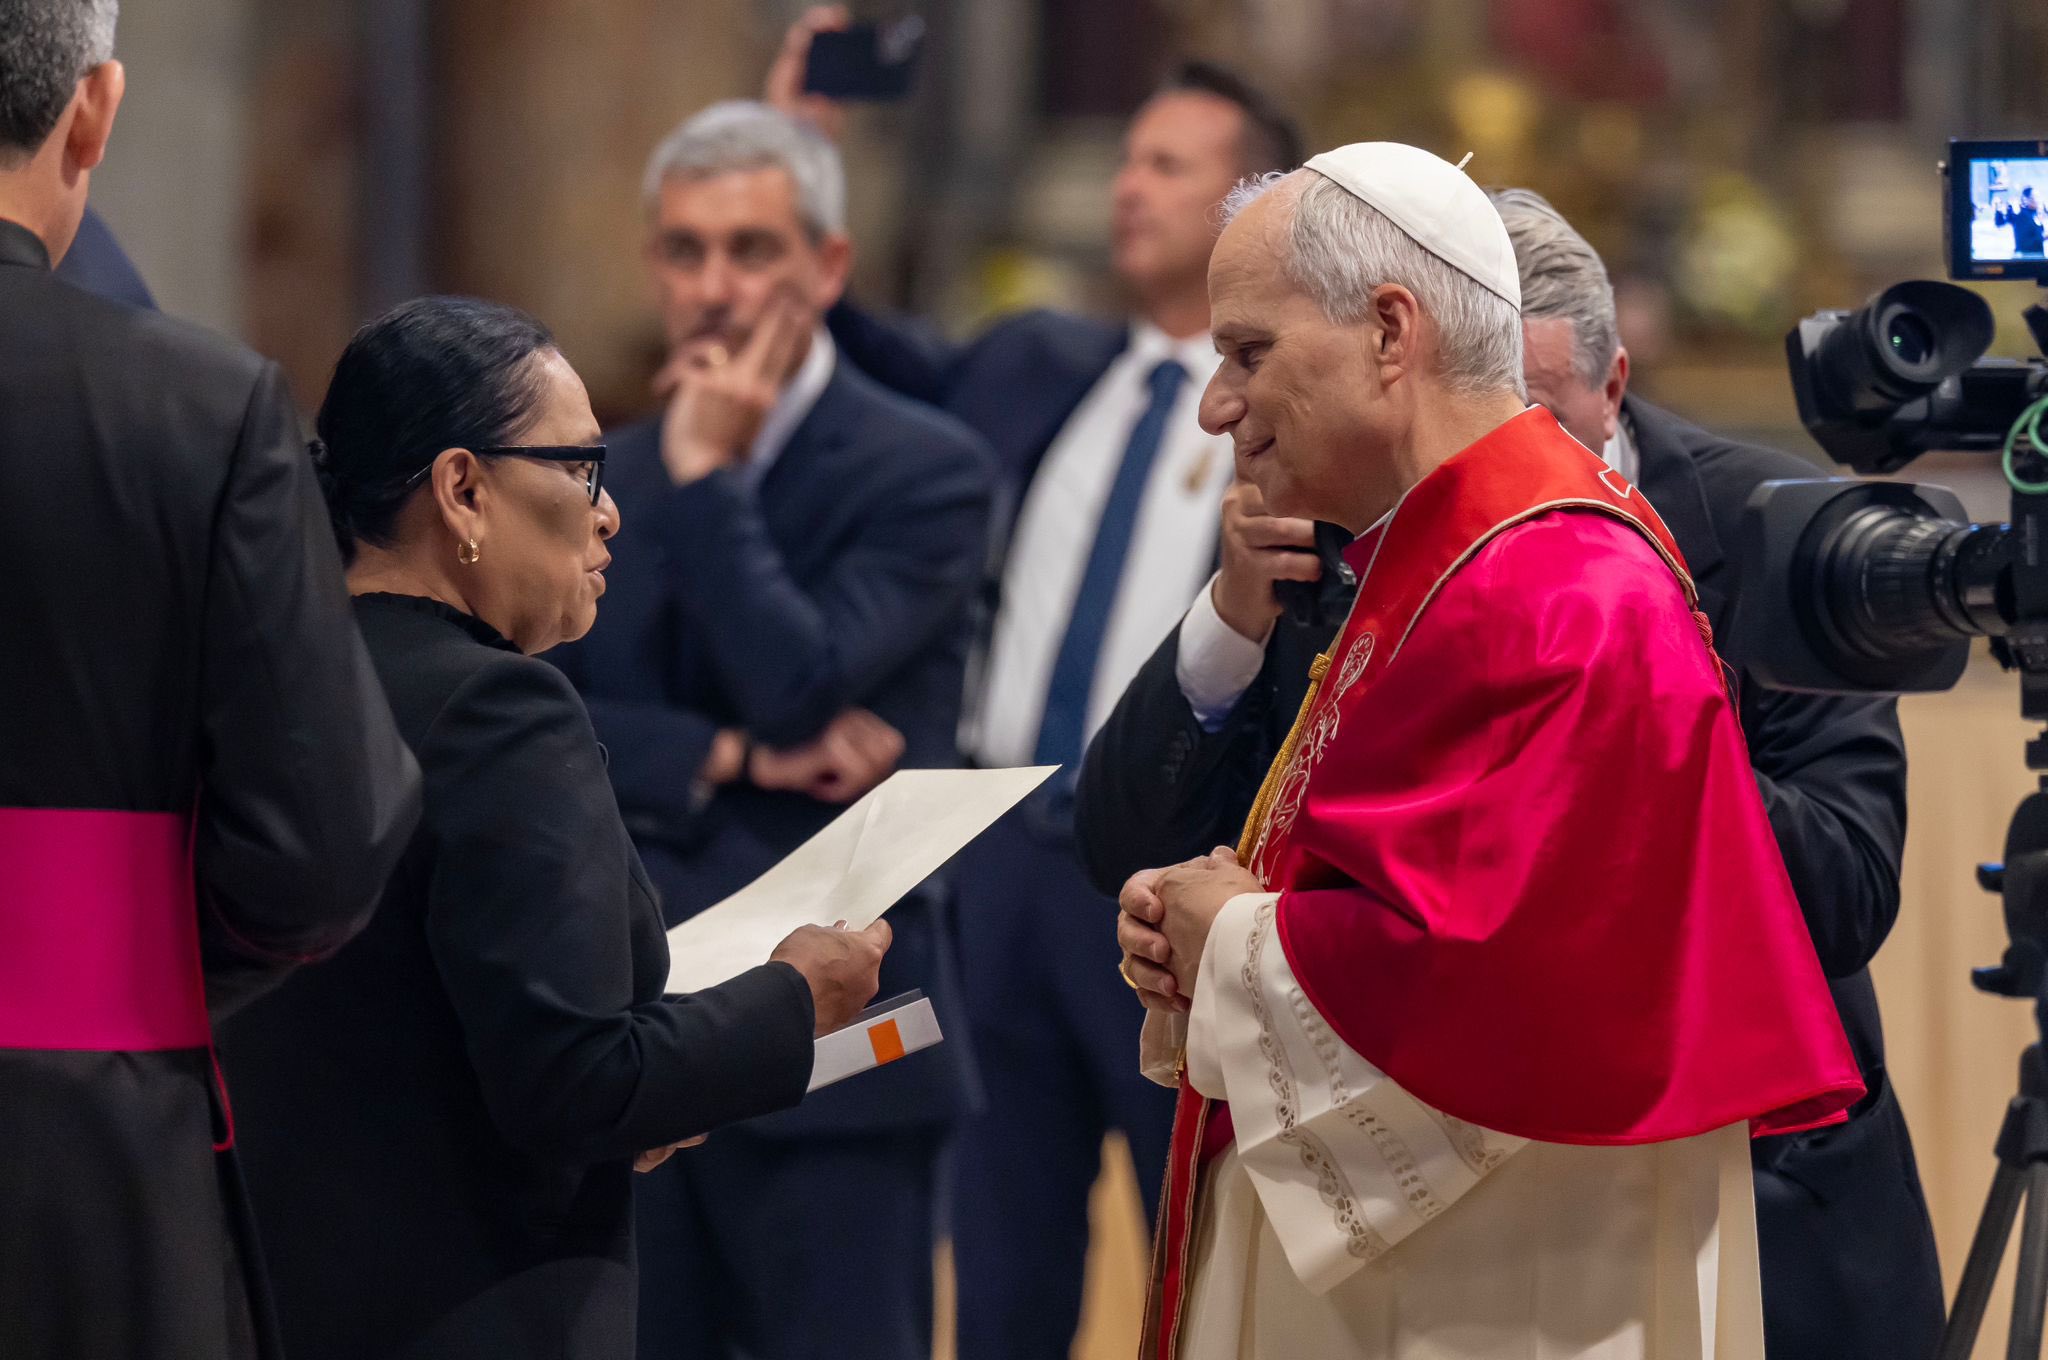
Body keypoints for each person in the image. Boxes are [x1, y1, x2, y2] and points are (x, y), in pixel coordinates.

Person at [1077, 186, 1945, 1359]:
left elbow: (1502, 969)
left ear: (1396, 336)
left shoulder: (1565, 572)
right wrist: (1206, 925)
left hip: (1554, 1254)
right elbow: (1378, 866)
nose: (1218, 402)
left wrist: (1235, 941)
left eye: (1247, 351)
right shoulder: (1399, 545)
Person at [764, 15, 1304, 1353]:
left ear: (1253, 211)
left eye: (1171, 167)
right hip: (995, 863)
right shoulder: (1041, 369)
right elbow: (850, 342)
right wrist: (803, 151)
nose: (1129, 187)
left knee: (1200, 1243)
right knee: (1001, 1260)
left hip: (1167, 884)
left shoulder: (1294, 427)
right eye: (1128, 160)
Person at [219, 295, 891, 1360]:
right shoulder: (497, 711)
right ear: (463, 489)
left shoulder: (266, 676)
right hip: (467, 1298)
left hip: (272, 1289)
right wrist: (793, 998)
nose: (610, 510)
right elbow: (578, 1083)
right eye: (581, 469)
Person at [0, 3, 423, 1356]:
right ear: (95, 112)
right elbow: (322, 844)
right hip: (86, 1148)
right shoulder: (201, 411)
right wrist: (106, 955)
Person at [551, 101, 995, 1360]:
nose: (713, 289)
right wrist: (722, 755)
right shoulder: (592, 467)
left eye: (750, 252)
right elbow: (547, 714)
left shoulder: (927, 470)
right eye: (683, 252)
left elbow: (800, 678)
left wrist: (704, 483)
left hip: (845, 1050)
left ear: (829, 267)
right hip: (645, 1029)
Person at [1997, 185, 2046, 257]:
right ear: (2027, 199)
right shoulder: (2021, 215)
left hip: (2037, 256)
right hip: (2026, 257)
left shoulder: (2036, 214)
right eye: (2035, 197)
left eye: (2039, 197)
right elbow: (2026, 240)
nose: (2038, 200)